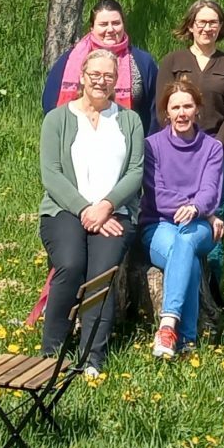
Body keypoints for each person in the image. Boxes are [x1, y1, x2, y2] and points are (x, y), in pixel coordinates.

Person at [37, 48, 143, 377]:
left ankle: (91, 358)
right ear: (82, 77)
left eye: (108, 76)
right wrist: (85, 209)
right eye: (94, 75)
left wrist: (106, 206)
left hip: (115, 214)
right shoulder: (57, 119)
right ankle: (51, 352)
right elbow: (51, 174)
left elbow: (136, 171)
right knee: (70, 265)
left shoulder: (129, 120)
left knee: (101, 274)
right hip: (65, 210)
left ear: (116, 81)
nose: (101, 81)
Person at [156, 0, 224, 297]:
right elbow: (162, 108)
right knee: (179, 216)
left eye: (213, 22)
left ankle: (213, 293)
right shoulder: (173, 62)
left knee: (214, 219)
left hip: (216, 155)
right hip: (178, 156)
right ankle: (182, 285)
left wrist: (217, 147)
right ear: (191, 26)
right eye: (202, 22)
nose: (207, 28)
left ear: (221, 27)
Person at [141, 75, 224, 357]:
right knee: (185, 254)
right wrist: (200, 209)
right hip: (159, 225)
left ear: (197, 109)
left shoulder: (212, 148)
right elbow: (157, 194)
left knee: (186, 240)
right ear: (166, 112)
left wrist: (200, 210)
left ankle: (167, 325)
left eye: (187, 106)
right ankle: (187, 340)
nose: (181, 113)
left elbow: (211, 191)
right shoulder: (152, 146)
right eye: (175, 107)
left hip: (198, 226)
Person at [43, 0, 159, 124]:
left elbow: (154, 110)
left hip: (128, 133)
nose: (110, 29)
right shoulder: (70, 61)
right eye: (103, 24)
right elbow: (50, 104)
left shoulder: (142, 62)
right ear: (92, 27)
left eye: (116, 23)